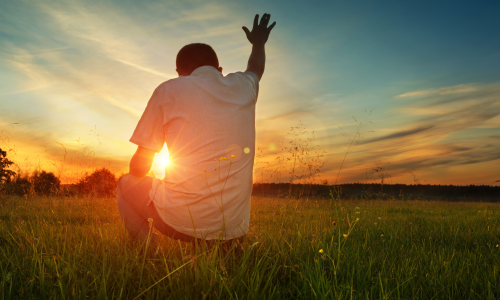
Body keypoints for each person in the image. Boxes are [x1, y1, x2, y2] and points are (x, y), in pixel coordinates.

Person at [116, 14, 276, 248]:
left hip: (178, 225)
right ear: (219, 69)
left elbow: (139, 168)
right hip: (234, 229)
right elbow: (256, 68)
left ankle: (149, 251)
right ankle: (220, 247)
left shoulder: (168, 90)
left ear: (179, 72)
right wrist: (259, 43)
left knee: (124, 182)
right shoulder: (244, 86)